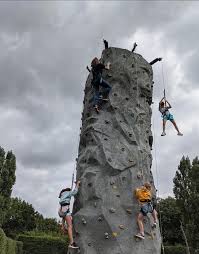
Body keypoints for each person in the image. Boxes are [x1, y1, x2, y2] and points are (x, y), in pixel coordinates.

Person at [58, 180, 81, 249]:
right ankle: (71, 243)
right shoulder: (67, 193)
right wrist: (77, 184)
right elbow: (75, 192)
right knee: (70, 226)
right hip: (65, 211)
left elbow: (63, 215)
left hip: (62, 210)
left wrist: (62, 225)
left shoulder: (62, 195)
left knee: (67, 222)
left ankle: (62, 226)